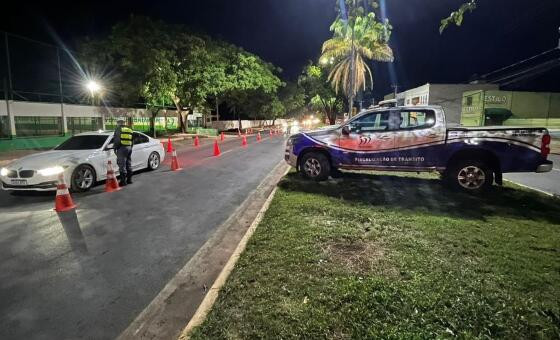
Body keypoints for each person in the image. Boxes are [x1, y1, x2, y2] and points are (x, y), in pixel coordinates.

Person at [114, 119, 134, 186]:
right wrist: (130, 147)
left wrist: (115, 148)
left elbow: (117, 140)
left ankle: (123, 182)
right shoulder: (129, 129)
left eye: (117, 123)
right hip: (129, 147)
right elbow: (132, 140)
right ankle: (129, 180)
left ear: (119, 123)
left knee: (122, 165)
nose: (117, 124)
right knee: (128, 163)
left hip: (122, 148)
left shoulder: (118, 129)